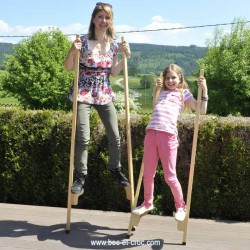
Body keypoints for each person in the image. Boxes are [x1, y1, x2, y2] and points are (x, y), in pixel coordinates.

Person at [64, 2, 131, 194]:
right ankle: (80, 177)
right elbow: (68, 67)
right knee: (83, 137)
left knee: (115, 136)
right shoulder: (82, 41)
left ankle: (115, 169)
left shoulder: (113, 46)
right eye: (100, 16)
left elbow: (114, 72)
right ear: (93, 19)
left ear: (111, 21)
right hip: (83, 91)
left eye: (107, 17)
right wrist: (71, 51)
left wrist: (126, 57)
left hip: (104, 92)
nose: (103, 21)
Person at [132, 64, 208, 221]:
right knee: (148, 173)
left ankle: (181, 206)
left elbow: (201, 110)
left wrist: (204, 89)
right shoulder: (162, 92)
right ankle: (147, 203)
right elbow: (155, 108)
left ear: (180, 78)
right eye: (167, 78)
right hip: (151, 133)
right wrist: (155, 90)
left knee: (170, 176)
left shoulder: (183, 93)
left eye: (173, 77)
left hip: (168, 136)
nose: (170, 80)